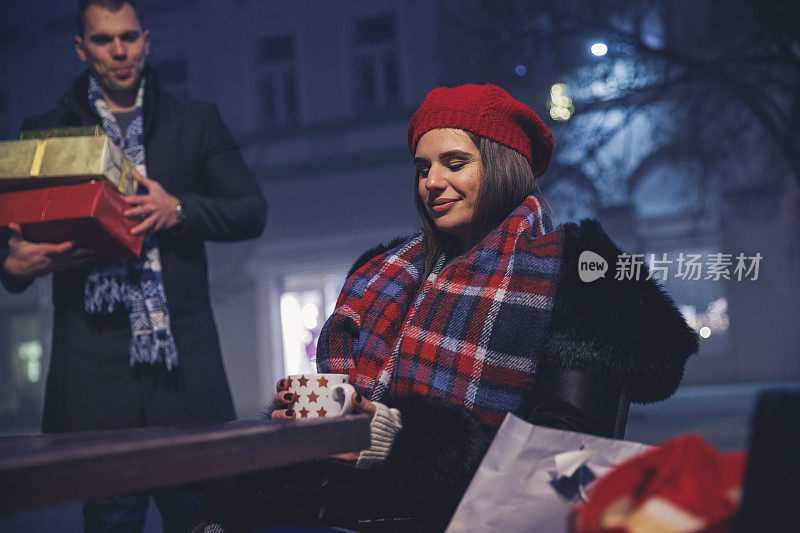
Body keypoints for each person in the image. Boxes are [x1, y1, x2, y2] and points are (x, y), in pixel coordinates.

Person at [201, 84, 697, 531]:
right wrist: (305, 424)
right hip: (349, 511)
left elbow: (568, 459)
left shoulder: (574, 275)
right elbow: (349, 415)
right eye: (422, 168)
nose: (431, 182)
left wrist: (397, 440)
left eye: (454, 164)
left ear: (502, 166)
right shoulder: (385, 272)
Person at [0, 0, 266, 531]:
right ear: (82, 48)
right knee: (112, 520)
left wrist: (179, 209)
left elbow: (250, 210)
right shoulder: (47, 131)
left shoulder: (194, 120)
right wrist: (16, 266)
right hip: (95, 372)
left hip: (183, 370)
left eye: (128, 37)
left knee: (201, 518)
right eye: (103, 40)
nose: (119, 51)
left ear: (146, 39)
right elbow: (15, 242)